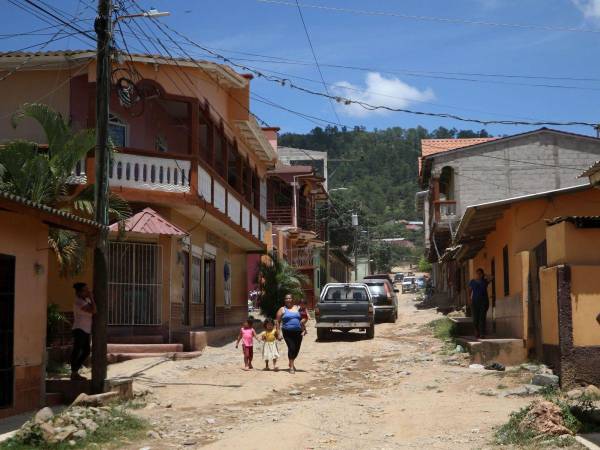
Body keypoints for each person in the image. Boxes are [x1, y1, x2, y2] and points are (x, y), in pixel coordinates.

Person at [70, 282, 96, 381]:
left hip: (86, 330)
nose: (87, 292)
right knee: (77, 351)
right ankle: (74, 372)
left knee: (86, 351)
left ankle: (75, 371)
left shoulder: (85, 300)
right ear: (79, 292)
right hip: (79, 329)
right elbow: (94, 310)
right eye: (85, 290)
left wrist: (90, 297)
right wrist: (92, 298)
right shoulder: (78, 302)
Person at [276, 294, 307, 374]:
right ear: (284, 300)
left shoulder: (298, 308)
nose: (288, 300)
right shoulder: (282, 309)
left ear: (292, 299)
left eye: (289, 298)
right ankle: (291, 366)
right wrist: (278, 333)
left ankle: (291, 362)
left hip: (298, 332)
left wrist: (304, 320)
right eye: (286, 298)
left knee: (297, 349)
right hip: (287, 332)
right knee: (292, 348)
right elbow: (277, 322)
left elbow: (304, 316)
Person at [468, 268, 491, 339]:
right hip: (474, 302)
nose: (478, 275)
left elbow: (491, 277)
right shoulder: (472, 281)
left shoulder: (485, 281)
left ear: (482, 274)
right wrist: (469, 299)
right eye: (477, 273)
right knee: (475, 318)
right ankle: (476, 331)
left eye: (480, 273)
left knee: (482, 317)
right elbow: (469, 290)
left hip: (484, 302)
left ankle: (482, 333)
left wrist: (485, 275)